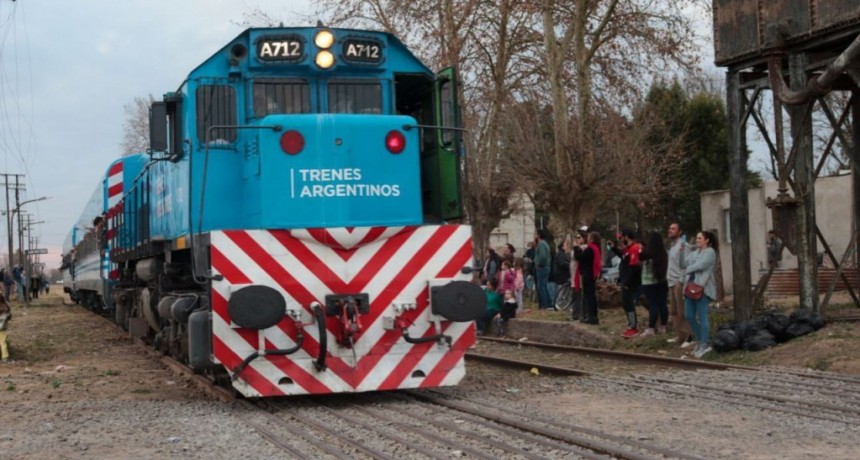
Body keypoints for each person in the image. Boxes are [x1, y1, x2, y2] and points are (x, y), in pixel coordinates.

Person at [683, 231, 718, 358]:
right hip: (689, 287)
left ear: (707, 240)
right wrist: (682, 251)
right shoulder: (694, 253)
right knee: (689, 316)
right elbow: (683, 264)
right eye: (697, 238)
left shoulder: (710, 252)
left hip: (702, 287)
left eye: (700, 238)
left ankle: (704, 343)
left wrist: (689, 268)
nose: (697, 240)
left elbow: (702, 265)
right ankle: (699, 340)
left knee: (703, 316)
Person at [666, 223, 694, 347]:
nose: (670, 230)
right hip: (671, 281)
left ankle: (690, 336)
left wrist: (682, 281)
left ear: (680, 231)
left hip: (679, 281)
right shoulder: (672, 247)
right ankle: (680, 336)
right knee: (674, 311)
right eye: (670, 228)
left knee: (682, 311)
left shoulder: (684, 246)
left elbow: (686, 264)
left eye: (673, 229)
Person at [612, 230, 642, 338]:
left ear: (627, 237)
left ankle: (633, 327)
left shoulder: (634, 248)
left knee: (629, 304)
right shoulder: (627, 249)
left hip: (630, 282)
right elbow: (623, 257)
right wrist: (614, 248)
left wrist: (627, 282)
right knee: (626, 304)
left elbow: (633, 268)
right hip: (625, 280)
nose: (620, 239)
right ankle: (631, 325)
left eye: (622, 237)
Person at [639, 231, 669, 337]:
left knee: (653, 305)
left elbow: (639, 257)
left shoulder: (647, 253)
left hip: (648, 282)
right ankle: (663, 326)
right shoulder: (663, 253)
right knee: (662, 304)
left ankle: (651, 328)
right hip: (662, 281)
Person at [574, 231, 602, 324]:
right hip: (590, 274)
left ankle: (591, 316)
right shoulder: (595, 248)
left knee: (589, 295)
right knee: (590, 295)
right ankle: (591, 315)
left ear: (592, 239)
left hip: (588, 274)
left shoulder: (590, 249)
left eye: (589, 237)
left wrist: (576, 248)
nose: (588, 239)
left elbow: (579, 257)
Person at [534, 231, 553, 309]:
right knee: (544, 286)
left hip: (542, 267)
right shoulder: (545, 244)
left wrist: (538, 263)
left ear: (538, 235)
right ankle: (549, 303)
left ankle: (544, 305)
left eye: (535, 234)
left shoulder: (541, 244)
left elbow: (542, 256)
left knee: (541, 286)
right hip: (546, 266)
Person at [552, 239, 572, 308]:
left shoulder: (562, 254)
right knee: (562, 290)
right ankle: (558, 303)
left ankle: (560, 303)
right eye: (566, 245)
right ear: (563, 247)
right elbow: (563, 264)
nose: (568, 247)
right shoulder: (561, 254)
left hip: (561, 274)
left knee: (562, 290)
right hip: (561, 275)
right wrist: (570, 265)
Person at [0, 294, 11, 362]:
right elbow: (9, 316)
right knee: (3, 342)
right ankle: (5, 357)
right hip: (3, 327)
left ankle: (4, 356)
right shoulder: (6, 306)